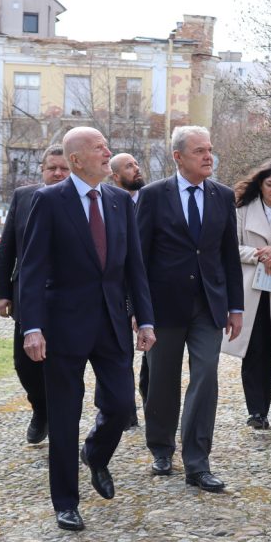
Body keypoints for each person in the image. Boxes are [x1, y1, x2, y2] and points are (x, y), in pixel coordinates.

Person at [18, 127, 155, 531]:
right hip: (63, 325)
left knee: (120, 406)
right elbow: (32, 268)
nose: (108, 153)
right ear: (76, 159)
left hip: (112, 323)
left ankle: (95, 454)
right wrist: (32, 327)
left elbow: (135, 267)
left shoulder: (119, 201)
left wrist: (145, 318)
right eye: (99, 148)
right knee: (64, 415)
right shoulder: (49, 201)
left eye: (106, 146)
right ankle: (66, 502)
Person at [136, 126, 243, 493]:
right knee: (161, 379)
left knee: (206, 376)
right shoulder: (152, 196)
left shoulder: (223, 196)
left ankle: (197, 462)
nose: (208, 156)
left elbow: (229, 255)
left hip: (208, 305)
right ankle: (161, 448)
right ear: (178, 157)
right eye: (199, 151)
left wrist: (236, 306)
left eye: (209, 149)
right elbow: (138, 258)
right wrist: (138, 310)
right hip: (163, 306)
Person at [0, 144, 70, 444]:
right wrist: (1, 292)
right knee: (25, 364)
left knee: (62, 365)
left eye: (64, 168)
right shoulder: (24, 197)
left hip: (68, 297)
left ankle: (62, 422)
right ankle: (41, 408)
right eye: (52, 168)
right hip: (27, 295)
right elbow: (8, 246)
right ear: (42, 170)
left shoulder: (82, 200)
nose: (58, 173)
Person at [222, 161, 271, 430]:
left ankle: (263, 407)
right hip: (250, 286)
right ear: (260, 184)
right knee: (252, 348)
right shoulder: (243, 209)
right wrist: (257, 254)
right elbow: (230, 246)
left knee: (270, 350)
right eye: (270, 184)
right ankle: (255, 410)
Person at [94, 152, 149, 432]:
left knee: (142, 355)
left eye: (136, 164)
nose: (136, 169)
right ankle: (120, 411)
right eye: (129, 166)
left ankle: (144, 404)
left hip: (143, 287)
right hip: (114, 291)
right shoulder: (107, 204)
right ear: (115, 176)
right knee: (115, 354)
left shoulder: (150, 200)